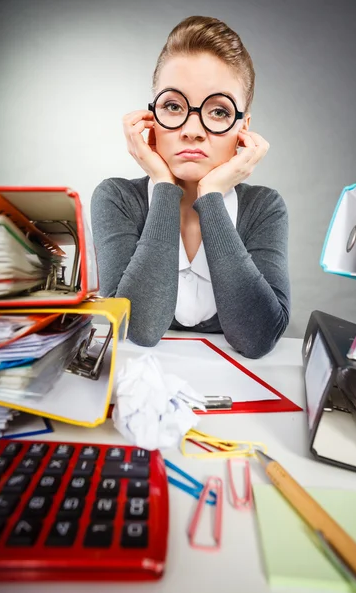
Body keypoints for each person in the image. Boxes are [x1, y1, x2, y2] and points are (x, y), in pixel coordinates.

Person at [91, 15, 290, 359]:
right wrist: (164, 186)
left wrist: (210, 195)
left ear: (243, 128)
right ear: (151, 118)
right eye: (173, 106)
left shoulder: (264, 207)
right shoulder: (117, 198)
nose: (192, 130)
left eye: (217, 112)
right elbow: (137, 328)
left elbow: (257, 338)